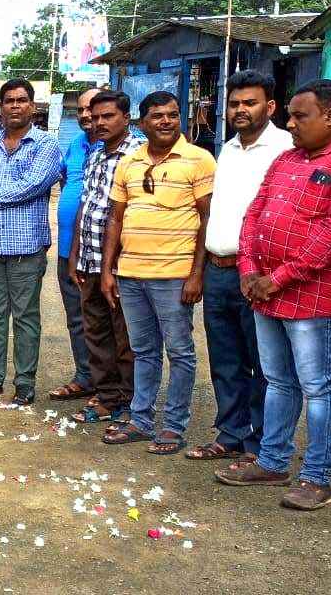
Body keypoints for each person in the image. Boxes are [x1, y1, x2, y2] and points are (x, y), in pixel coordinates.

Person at [215, 79, 331, 511]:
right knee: (277, 381)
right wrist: (250, 269)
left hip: (314, 296)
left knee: (318, 386)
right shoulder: (287, 159)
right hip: (265, 291)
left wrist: (279, 277)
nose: (290, 124)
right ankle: (272, 461)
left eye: (299, 116)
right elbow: (254, 214)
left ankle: (317, 477)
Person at [98, 91, 215, 456]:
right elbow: (115, 218)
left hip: (175, 275)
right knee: (143, 351)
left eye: (173, 114)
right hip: (131, 273)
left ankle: (174, 427)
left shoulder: (199, 159)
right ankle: (141, 420)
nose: (166, 121)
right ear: (142, 122)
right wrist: (108, 270)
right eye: (158, 116)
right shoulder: (129, 162)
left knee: (180, 352)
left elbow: (207, 218)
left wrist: (196, 274)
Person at [188, 71, 290, 463]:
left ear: (270, 106)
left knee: (263, 361)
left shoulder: (285, 148)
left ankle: (259, 443)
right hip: (218, 270)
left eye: (250, 103)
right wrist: (200, 270)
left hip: (256, 274)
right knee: (225, 358)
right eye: (234, 104)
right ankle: (231, 433)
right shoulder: (227, 149)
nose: (240, 110)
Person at [0, 79, 63, 405]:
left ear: (33, 106)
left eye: (22, 100)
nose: (16, 106)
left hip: (26, 247)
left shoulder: (46, 145)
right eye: (9, 101)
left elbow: (31, 187)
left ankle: (24, 381)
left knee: (25, 316)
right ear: (1, 107)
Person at [66, 90, 144, 427]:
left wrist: (115, 265)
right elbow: (87, 205)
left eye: (107, 116)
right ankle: (107, 397)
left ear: (126, 118)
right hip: (90, 259)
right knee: (96, 333)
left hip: (121, 264)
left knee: (125, 337)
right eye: (95, 117)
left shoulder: (138, 155)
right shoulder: (96, 154)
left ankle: (130, 402)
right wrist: (75, 254)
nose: (99, 122)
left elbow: (129, 214)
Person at [49, 87, 102, 402]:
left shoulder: (124, 147)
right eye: (80, 110)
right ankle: (85, 376)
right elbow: (65, 180)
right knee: (77, 318)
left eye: (91, 108)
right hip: (68, 249)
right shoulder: (76, 144)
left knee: (105, 321)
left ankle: (111, 386)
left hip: (100, 252)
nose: (85, 115)